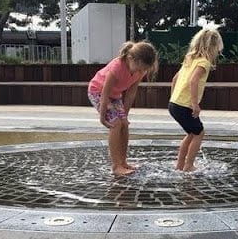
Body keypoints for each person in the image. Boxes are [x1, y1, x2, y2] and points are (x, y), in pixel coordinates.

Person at [88, 41, 158, 175]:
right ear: (131, 58)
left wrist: (125, 114)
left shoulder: (140, 70)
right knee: (116, 123)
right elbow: (105, 93)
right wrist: (102, 117)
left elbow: (131, 93)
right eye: (139, 69)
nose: (140, 72)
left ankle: (123, 162)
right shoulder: (117, 67)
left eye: (143, 70)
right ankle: (116, 166)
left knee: (124, 124)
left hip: (115, 95)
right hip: (98, 91)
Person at [169, 28, 223, 171]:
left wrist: (173, 98)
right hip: (185, 105)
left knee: (191, 133)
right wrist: (194, 104)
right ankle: (189, 165)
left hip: (174, 104)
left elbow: (174, 79)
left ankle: (179, 165)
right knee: (199, 133)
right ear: (213, 47)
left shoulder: (189, 59)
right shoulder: (203, 62)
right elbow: (193, 81)